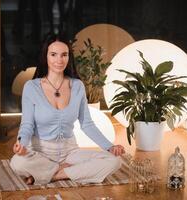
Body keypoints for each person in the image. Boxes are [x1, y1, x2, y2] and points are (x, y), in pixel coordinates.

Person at [10, 33, 125, 185]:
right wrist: (22, 143)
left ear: (69, 57)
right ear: (46, 56)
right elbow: (27, 125)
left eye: (64, 55)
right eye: (53, 54)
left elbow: (87, 124)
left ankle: (54, 175)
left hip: (70, 151)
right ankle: (67, 170)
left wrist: (109, 146)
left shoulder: (77, 86)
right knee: (17, 163)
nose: (59, 60)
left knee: (114, 161)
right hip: (39, 151)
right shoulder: (31, 87)